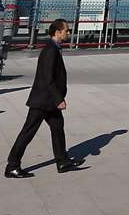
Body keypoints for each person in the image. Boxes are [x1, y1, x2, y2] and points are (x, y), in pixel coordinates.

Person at [5, 19, 81, 177]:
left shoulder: (54, 48)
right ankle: (12, 165)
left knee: (58, 127)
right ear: (57, 32)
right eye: (66, 30)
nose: (68, 33)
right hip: (43, 100)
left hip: (48, 101)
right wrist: (59, 99)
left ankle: (62, 161)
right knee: (28, 131)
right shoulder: (50, 50)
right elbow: (47, 79)